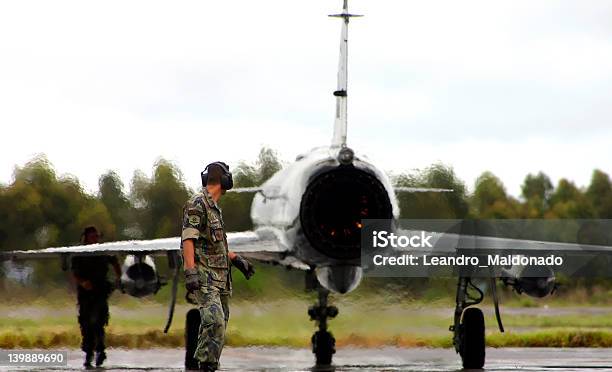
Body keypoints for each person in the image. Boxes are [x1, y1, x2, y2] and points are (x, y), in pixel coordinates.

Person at [181, 162, 255, 372]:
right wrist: (190, 271)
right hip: (205, 278)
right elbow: (188, 239)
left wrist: (236, 259)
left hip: (221, 279)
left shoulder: (214, 208)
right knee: (214, 323)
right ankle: (205, 366)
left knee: (219, 327)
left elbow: (216, 244)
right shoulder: (197, 203)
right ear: (225, 180)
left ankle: (210, 364)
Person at [70, 226, 122, 368]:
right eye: (92, 236)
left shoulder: (103, 251)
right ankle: (89, 353)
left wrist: (119, 278)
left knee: (98, 322)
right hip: (85, 294)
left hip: (100, 291)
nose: (94, 239)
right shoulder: (79, 253)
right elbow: (74, 272)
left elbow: (115, 262)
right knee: (86, 324)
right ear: (85, 237)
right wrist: (82, 282)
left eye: (96, 236)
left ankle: (100, 351)